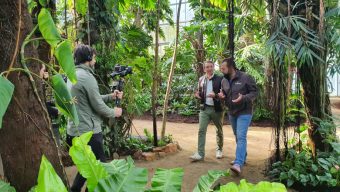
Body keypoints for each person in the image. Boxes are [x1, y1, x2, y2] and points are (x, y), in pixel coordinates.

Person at [67, 44, 123, 192]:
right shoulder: (86, 77)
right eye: (94, 57)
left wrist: (111, 96)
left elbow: (90, 99)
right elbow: (98, 105)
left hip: (75, 130)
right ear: (89, 58)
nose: (95, 60)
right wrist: (114, 112)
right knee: (100, 169)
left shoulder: (73, 75)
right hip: (89, 132)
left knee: (87, 166)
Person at [218, 57, 258, 175]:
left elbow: (255, 92)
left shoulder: (245, 77)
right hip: (232, 112)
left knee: (241, 136)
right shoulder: (224, 80)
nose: (221, 70)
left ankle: (238, 163)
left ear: (231, 67)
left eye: (223, 68)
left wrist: (244, 98)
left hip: (244, 112)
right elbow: (225, 95)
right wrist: (222, 97)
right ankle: (242, 156)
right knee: (237, 135)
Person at [190, 61, 224, 161]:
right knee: (201, 130)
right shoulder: (201, 79)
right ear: (204, 69)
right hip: (204, 108)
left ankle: (219, 149)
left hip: (217, 109)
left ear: (213, 67)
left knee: (219, 130)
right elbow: (199, 92)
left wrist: (216, 95)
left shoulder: (220, 79)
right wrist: (197, 95)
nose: (209, 69)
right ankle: (200, 154)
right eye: (207, 67)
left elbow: (224, 94)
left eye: (211, 66)